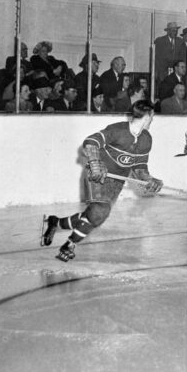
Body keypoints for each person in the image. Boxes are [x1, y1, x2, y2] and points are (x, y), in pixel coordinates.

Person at [40, 100, 163, 262]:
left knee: (92, 215)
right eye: (152, 116)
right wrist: (95, 163)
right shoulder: (118, 130)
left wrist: (149, 180)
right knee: (100, 212)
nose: (152, 120)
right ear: (149, 115)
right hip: (98, 175)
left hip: (116, 182)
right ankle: (69, 245)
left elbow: (140, 168)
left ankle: (55, 222)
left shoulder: (146, 139)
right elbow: (90, 142)